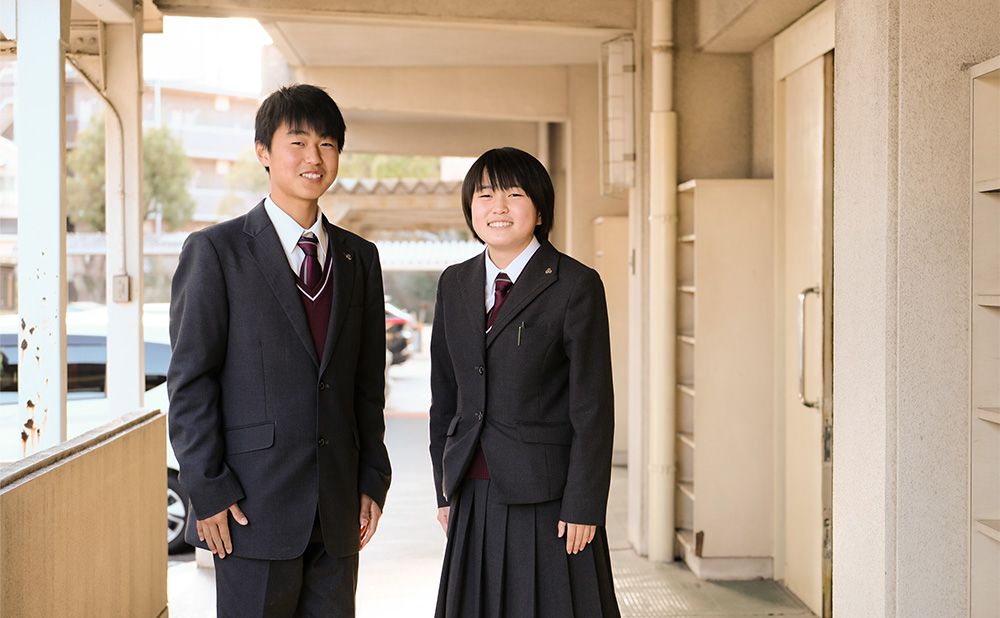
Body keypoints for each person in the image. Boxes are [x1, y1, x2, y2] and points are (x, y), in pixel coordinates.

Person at [167, 84, 391, 617]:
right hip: (249, 507)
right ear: (263, 152)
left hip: (337, 512)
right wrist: (209, 490)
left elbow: (366, 383)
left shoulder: (360, 259)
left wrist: (371, 479)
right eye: (298, 141)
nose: (314, 157)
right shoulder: (216, 252)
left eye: (328, 144)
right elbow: (191, 382)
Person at [429, 147, 621, 617]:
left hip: (549, 499)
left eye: (514, 194)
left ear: (539, 209)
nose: (498, 207)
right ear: (470, 208)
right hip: (471, 492)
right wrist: (444, 488)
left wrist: (584, 504)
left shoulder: (574, 284)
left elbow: (593, 406)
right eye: (485, 194)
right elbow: (445, 396)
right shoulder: (454, 283)